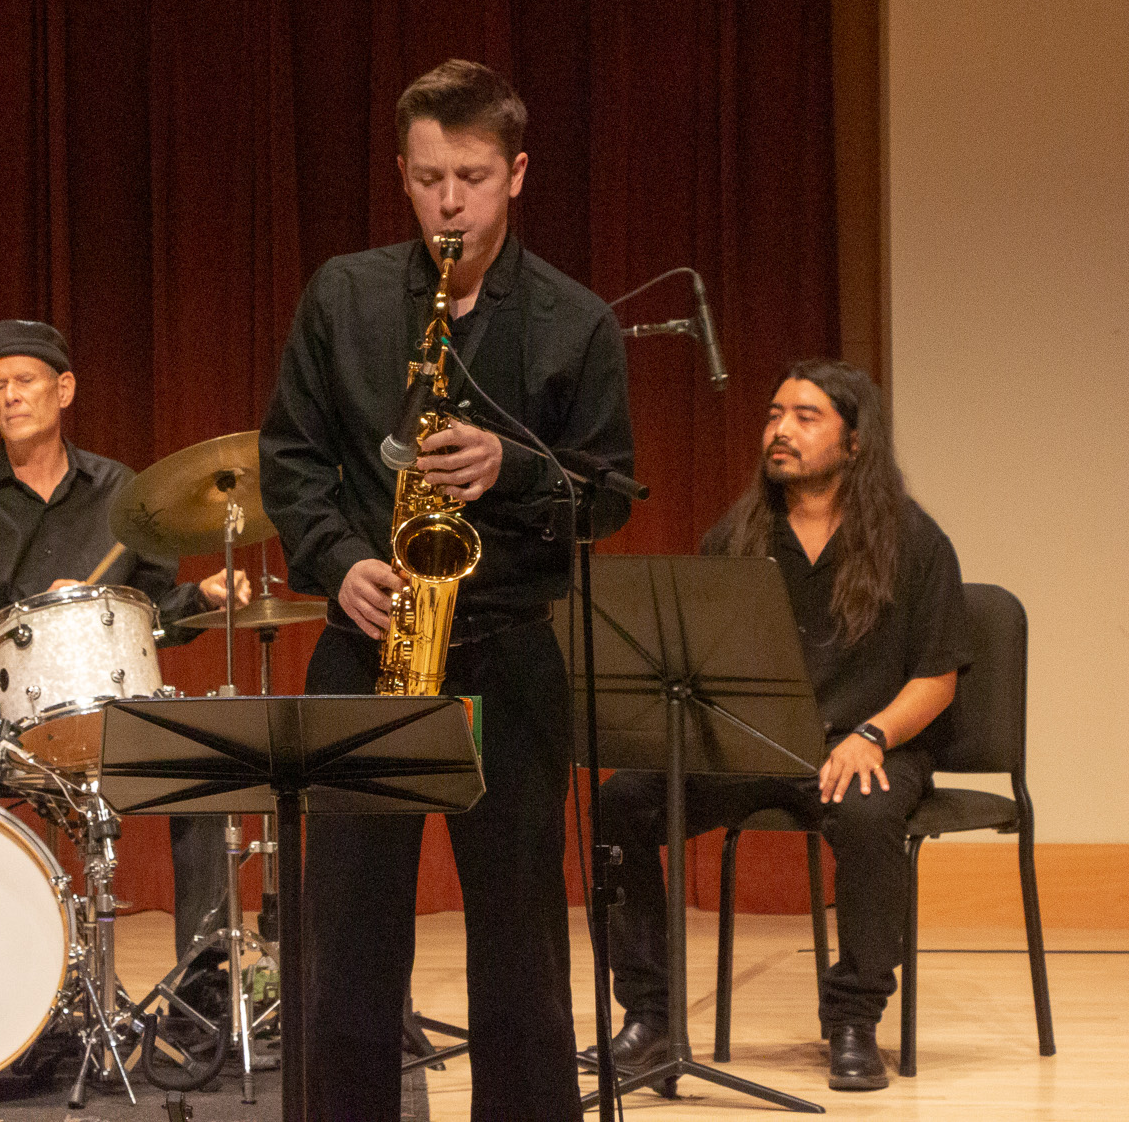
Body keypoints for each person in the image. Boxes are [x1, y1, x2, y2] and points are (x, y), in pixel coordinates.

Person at [259, 59, 634, 1121]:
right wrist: (339, 562)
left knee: (516, 937)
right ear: (401, 172)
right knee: (348, 933)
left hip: (505, 648)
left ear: (516, 173)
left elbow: (606, 495)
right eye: (427, 179)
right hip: (367, 637)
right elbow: (289, 459)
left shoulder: (574, 321)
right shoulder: (342, 293)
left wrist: (511, 469)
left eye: (470, 177)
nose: (449, 204)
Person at [601, 360, 965, 1091]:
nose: (781, 429)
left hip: (864, 745)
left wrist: (872, 735)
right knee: (622, 802)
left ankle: (855, 1017)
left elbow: (938, 677)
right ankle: (651, 1015)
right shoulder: (735, 537)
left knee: (867, 816)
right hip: (752, 743)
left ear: (855, 442)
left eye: (806, 416)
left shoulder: (913, 540)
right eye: (774, 414)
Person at [0, 319, 247, 965]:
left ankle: (202, 983)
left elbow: (144, 617)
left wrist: (200, 598)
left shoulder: (125, 495)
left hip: (111, 700)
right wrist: (40, 617)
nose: (10, 396)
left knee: (209, 758)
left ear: (63, 389)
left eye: (25, 381)